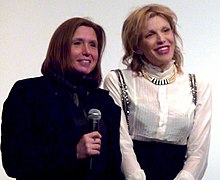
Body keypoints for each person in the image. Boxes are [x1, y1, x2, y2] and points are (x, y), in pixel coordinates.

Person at [1, 17, 123, 180]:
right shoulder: (28, 92)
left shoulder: (104, 102)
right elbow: (14, 162)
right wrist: (73, 152)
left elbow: (114, 165)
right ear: (60, 48)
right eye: (77, 43)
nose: (87, 51)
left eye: (93, 45)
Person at [104, 4, 212, 180]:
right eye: (150, 35)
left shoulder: (198, 85)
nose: (162, 39)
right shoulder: (117, 80)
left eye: (166, 30)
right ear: (137, 46)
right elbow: (121, 141)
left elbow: (199, 150)